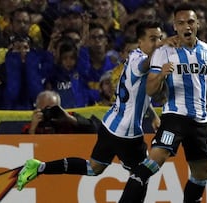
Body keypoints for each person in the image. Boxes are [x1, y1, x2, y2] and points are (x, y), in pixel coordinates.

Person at [16, 20, 174, 202]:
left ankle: (38, 167)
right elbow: (148, 64)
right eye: (153, 39)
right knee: (141, 175)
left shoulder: (135, 55)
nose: (157, 43)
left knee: (93, 168)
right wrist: (165, 47)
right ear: (140, 42)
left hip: (109, 126)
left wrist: (153, 115)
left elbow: (138, 95)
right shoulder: (141, 61)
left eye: (160, 38)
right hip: (127, 135)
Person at [119, 3, 207, 202]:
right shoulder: (164, 52)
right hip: (175, 116)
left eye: (190, 21)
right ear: (175, 27)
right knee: (154, 163)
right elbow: (150, 90)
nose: (186, 26)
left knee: (202, 173)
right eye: (181, 23)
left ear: (198, 24)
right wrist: (162, 74)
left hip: (200, 121)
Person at [22, 90, 98, 134]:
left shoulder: (69, 118)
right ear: (37, 109)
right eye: (45, 109)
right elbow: (25, 149)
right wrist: (32, 129)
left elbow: (95, 129)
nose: (50, 112)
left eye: (53, 108)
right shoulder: (33, 125)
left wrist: (69, 118)